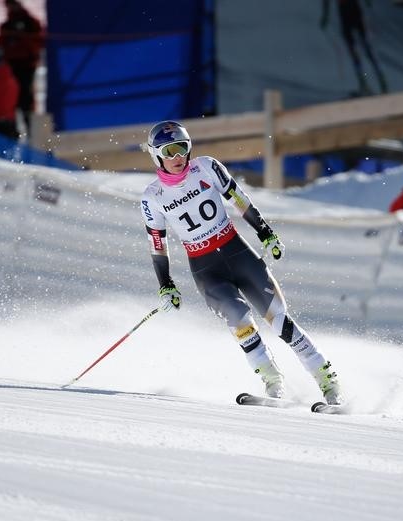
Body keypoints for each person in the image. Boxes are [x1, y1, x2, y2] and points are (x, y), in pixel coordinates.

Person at [139, 121, 342, 404]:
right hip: (207, 270)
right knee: (239, 319)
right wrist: (166, 285)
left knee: (280, 321)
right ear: (156, 155)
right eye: (168, 151)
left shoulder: (207, 167)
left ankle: (327, 381)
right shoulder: (152, 197)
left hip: (238, 254)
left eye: (181, 148)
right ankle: (272, 383)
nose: (176, 157)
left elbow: (239, 199)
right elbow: (157, 244)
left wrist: (266, 233)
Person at [320, 0, 387, 95]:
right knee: (362, 48)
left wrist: (325, 16)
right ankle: (375, 80)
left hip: (347, 11)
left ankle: (368, 81)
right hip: (351, 10)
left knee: (357, 48)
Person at [0, 0, 44, 135]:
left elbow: (37, 44)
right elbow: (1, 46)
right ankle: (13, 134)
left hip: (26, 68)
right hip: (11, 69)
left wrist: (22, 38)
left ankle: (32, 134)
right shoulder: (7, 25)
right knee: (11, 102)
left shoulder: (30, 22)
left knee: (26, 102)